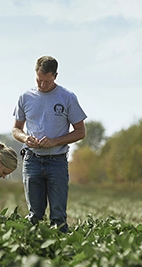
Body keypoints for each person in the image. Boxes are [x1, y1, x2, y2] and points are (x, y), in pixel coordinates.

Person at [12, 56, 87, 232]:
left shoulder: (67, 97)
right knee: (34, 216)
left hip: (57, 162)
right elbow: (15, 129)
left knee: (58, 216)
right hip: (32, 161)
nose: (42, 85)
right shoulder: (25, 97)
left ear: (55, 76)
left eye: (47, 81)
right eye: (39, 80)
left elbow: (80, 132)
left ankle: (60, 253)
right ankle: (32, 253)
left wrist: (54, 141)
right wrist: (25, 138)